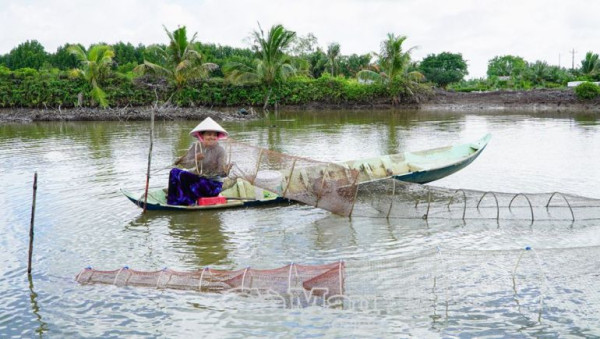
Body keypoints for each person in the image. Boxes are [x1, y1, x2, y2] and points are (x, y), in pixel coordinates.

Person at [166, 117, 231, 205]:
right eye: (209, 134)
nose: (212, 137)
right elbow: (187, 165)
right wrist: (195, 159)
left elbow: (221, 174)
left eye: (215, 135)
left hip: (212, 185)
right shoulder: (196, 147)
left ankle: (188, 201)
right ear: (202, 136)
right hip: (198, 179)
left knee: (185, 177)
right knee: (174, 172)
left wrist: (226, 170)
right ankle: (173, 200)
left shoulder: (220, 151)